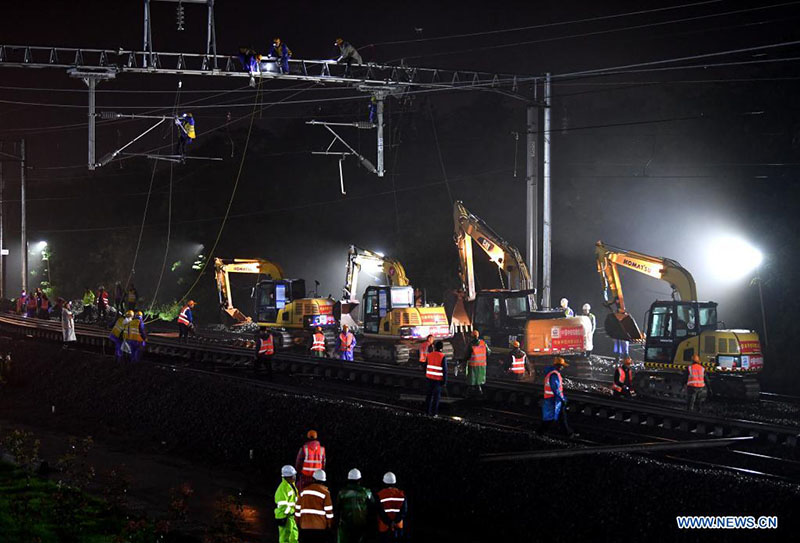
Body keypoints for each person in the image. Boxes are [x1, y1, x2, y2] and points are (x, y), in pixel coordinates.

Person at [540, 357, 577, 437]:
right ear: (558, 366)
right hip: (553, 399)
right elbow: (555, 389)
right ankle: (540, 432)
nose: (563, 367)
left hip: (552, 399)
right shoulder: (554, 375)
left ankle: (568, 433)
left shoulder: (553, 373)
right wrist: (562, 399)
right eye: (562, 366)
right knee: (550, 419)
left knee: (561, 417)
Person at [336, 469, 375, 543]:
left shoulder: (341, 493)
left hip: (346, 526)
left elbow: (337, 509)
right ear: (359, 480)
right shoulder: (366, 492)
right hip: (361, 526)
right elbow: (373, 508)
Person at [295, 469, 333, 542]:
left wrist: (297, 523)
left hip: (305, 527)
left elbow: (297, 510)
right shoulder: (325, 493)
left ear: (313, 479)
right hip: (320, 528)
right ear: (323, 481)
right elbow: (329, 513)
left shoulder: (304, 491)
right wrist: (329, 525)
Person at [376, 472, 407, 543]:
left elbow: (380, 511)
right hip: (398, 527)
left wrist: (389, 522)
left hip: (384, 528)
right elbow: (404, 511)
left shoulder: (380, 494)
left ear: (384, 482)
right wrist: (395, 522)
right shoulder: (402, 494)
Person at [275, 465, 300, 543]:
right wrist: (290, 511)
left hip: (291, 516)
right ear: (288, 477)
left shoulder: (291, 486)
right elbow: (282, 505)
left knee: (294, 536)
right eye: (293, 475)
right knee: (285, 538)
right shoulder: (283, 488)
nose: (295, 477)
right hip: (285, 516)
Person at [425, 340, 448, 416]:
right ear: (442, 348)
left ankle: (427, 412)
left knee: (428, 397)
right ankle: (434, 413)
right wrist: (444, 382)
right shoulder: (442, 357)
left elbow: (425, 367)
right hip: (438, 381)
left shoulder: (429, 355)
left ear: (435, 347)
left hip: (429, 379)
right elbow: (445, 371)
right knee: (436, 398)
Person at [464, 330, 490, 396]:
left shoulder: (471, 344)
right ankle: (479, 392)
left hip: (473, 365)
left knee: (472, 381)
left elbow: (467, 355)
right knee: (479, 380)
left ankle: (469, 394)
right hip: (482, 365)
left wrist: (463, 361)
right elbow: (489, 352)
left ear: (472, 336)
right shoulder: (483, 343)